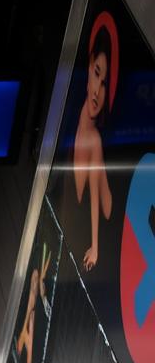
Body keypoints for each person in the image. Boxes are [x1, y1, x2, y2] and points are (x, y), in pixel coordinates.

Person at [74, 23, 115, 272]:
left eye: (105, 83)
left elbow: (95, 200)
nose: (98, 90)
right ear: (89, 67)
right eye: (96, 73)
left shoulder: (94, 139)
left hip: (108, 209)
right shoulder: (78, 118)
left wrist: (95, 247)